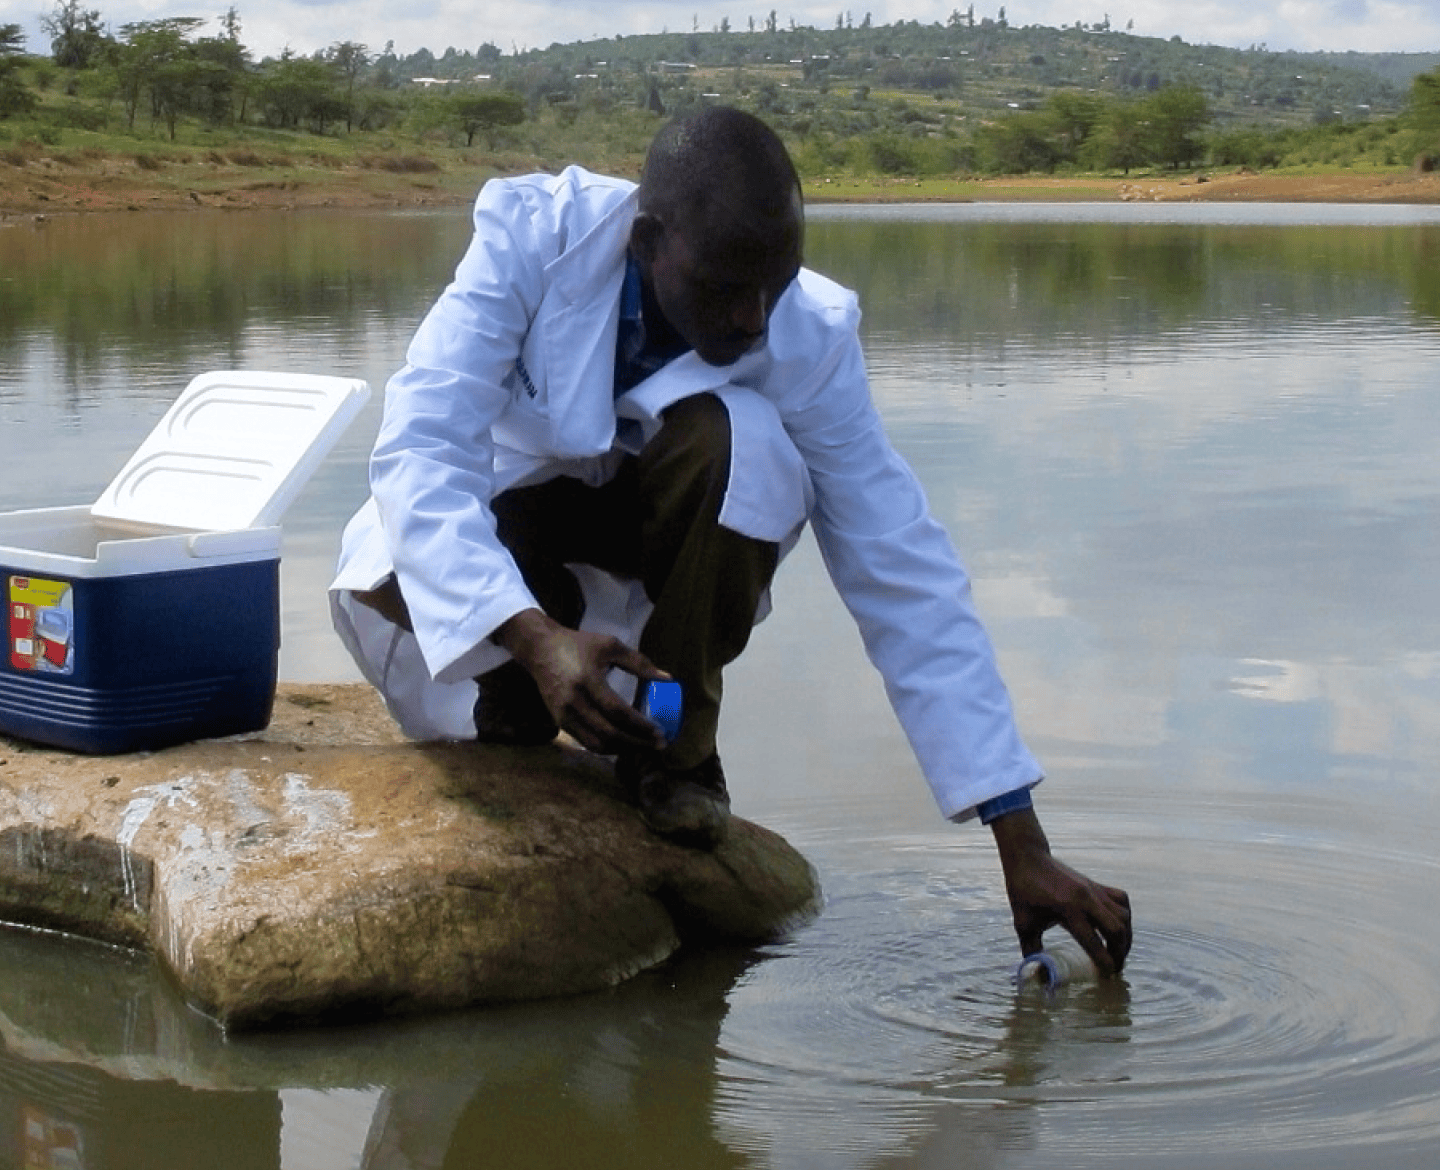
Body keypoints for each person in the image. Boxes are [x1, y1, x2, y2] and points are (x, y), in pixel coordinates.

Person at [330, 106, 1132, 975]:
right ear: (646, 241)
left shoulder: (811, 335)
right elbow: (422, 445)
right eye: (723, 288)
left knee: (741, 441)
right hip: (514, 533)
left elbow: (901, 567)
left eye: (775, 284)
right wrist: (532, 638)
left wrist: (1021, 840)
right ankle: (515, 676)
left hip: (642, 555)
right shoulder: (533, 236)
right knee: (398, 550)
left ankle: (675, 753)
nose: (753, 319)